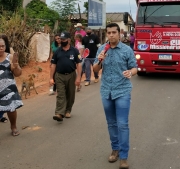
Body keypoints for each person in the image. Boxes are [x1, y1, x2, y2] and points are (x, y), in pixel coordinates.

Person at [93, 23, 138, 169]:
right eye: (109, 33)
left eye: (114, 32)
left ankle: (124, 157)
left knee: (123, 124)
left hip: (122, 90)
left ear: (119, 34)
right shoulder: (102, 49)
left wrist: (130, 72)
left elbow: (134, 67)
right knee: (111, 123)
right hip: (106, 91)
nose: (111, 35)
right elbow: (95, 69)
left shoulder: (126, 50)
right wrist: (100, 61)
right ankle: (115, 149)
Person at [50, 31, 82, 122]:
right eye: (60, 39)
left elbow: (79, 64)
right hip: (59, 75)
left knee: (70, 94)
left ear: (68, 40)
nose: (61, 41)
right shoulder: (57, 51)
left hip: (71, 75)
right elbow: (53, 65)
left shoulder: (75, 51)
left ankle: (68, 110)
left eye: (63, 39)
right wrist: (51, 78)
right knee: (61, 94)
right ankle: (59, 113)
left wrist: (78, 77)